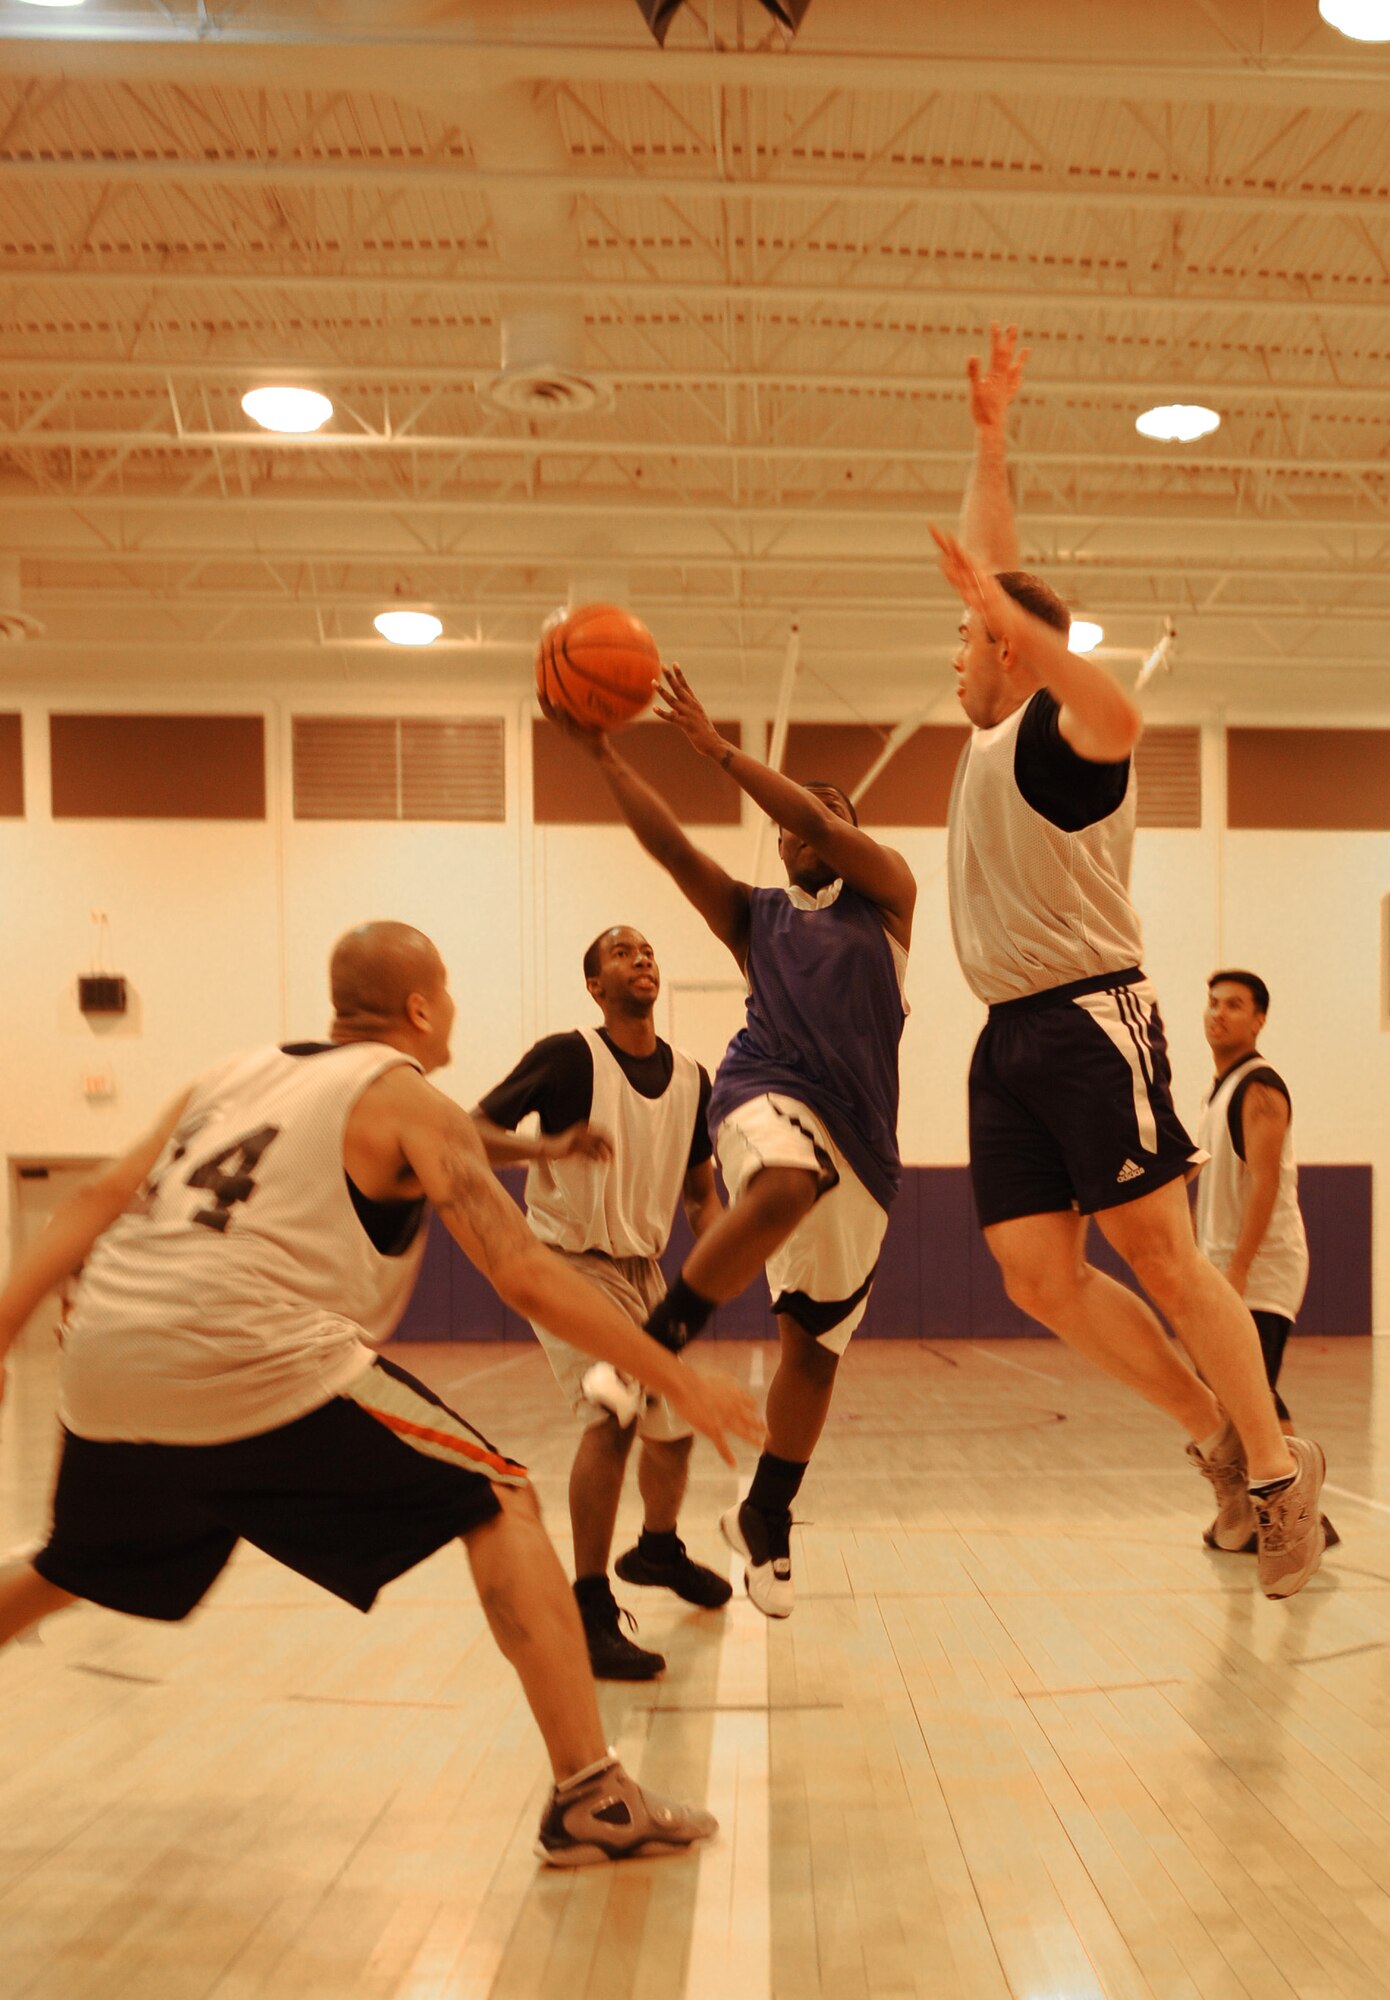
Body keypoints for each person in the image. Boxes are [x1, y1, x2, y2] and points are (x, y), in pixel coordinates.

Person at [0, 921, 764, 1867]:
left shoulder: (231, 1075)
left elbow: (88, 1201)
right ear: (418, 1007)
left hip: (108, 1358)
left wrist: (0, 1330)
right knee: (499, 1495)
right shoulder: (407, 1096)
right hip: (249, 1352)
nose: (451, 1010)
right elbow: (521, 1271)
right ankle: (591, 1795)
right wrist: (676, 1375)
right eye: (445, 992)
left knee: (75, 1564)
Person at [931, 322, 1325, 1600]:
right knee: (1036, 1273)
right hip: (1008, 1031)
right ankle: (1215, 1438)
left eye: (970, 637)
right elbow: (997, 569)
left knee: (1162, 1253)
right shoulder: (996, 729)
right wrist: (992, 438)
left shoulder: (1059, 729)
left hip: (1091, 1013)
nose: (954, 651)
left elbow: (1119, 707)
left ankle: (1277, 1471)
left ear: (1008, 653)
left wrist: (1019, 625)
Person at [542, 685, 916, 1619]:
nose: (812, 825)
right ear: (782, 844)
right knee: (787, 1180)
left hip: (866, 1140)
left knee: (814, 1352)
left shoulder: (892, 899)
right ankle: (652, 1351)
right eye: (801, 818)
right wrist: (603, 757)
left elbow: (806, 812)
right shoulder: (758, 917)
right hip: (766, 1091)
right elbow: (671, 850)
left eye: (832, 815)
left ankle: (767, 1513)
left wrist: (722, 749)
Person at [471, 923, 732, 1682]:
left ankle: (656, 1548)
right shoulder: (567, 1057)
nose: (640, 959)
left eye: (647, 950)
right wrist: (547, 1149)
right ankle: (587, 1606)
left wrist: (729, 1255)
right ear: (595, 985)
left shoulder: (692, 1078)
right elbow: (469, 1133)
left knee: (672, 1427)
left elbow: (699, 1198)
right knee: (612, 1413)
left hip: (645, 1271)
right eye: (621, 953)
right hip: (567, 1263)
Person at [1195, 968, 1337, 1553]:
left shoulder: (1259, 1086)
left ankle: (1296, 1517)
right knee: (1246, 1394)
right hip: (1227, 1268)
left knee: (1249, 1393)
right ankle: (1285, 1515)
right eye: (1212, 1002)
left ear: (1258, 1020)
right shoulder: (1220, 1088)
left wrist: (1238, 1268)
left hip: (1259, 1271)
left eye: (1234, 1005)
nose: (1219, 1013)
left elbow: (1265, 1182)